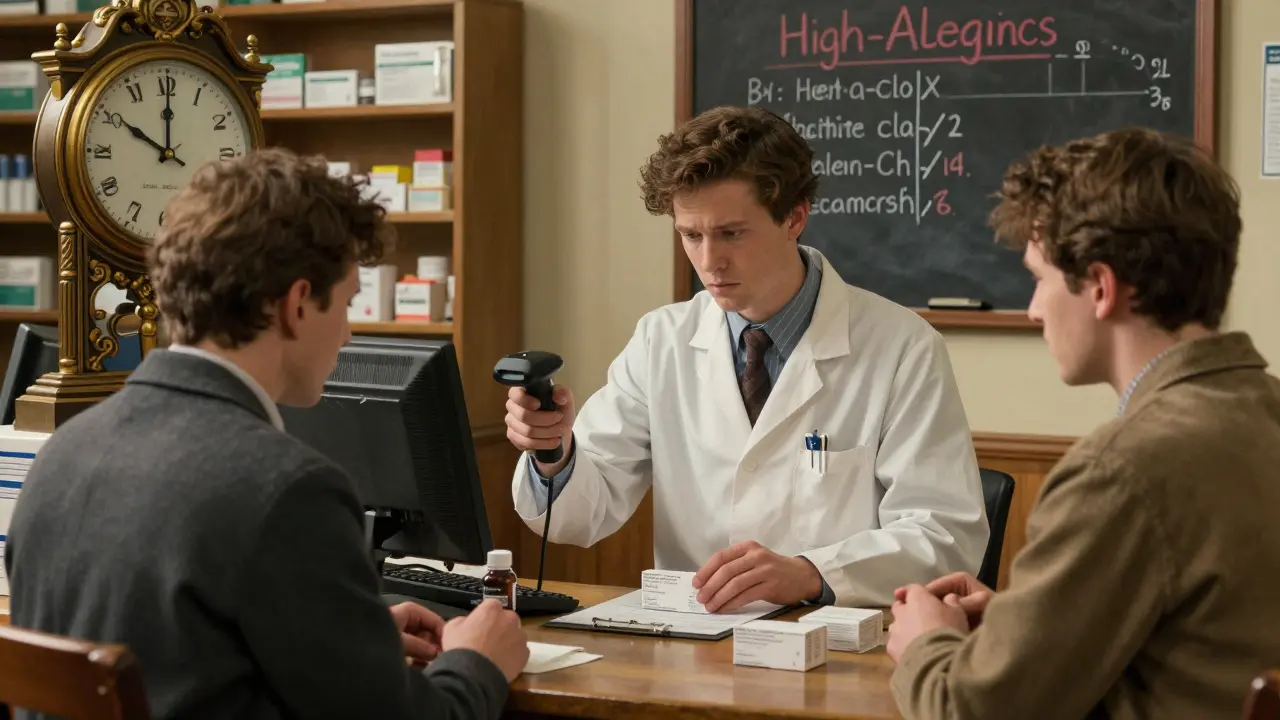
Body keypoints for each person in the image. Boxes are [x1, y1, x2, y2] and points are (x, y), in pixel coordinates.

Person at [4, 148, 529, 720]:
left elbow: (175, 647)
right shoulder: (288, 491)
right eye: (347, 303)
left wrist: (348, 633)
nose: (348, 335)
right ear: (297, 305)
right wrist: (477, 662)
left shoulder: (62, 454)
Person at [504, 105, 988, 611]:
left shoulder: (903, 347)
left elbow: (943, 535)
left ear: (794, 218)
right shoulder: (660, 340)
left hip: (835, 638)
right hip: (693, 635)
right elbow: (582, 514)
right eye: (691, 235)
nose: (709, 261)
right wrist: (553, 452)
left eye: (731, 233)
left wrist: (812, 573)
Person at [886, 127, 1280, 718]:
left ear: (1100, 288)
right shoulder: (1262, 410)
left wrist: (925, 643)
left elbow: (968, 709)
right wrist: (1029, 623)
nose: (1034, 310)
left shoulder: (1120, 471)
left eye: (1039, 280)